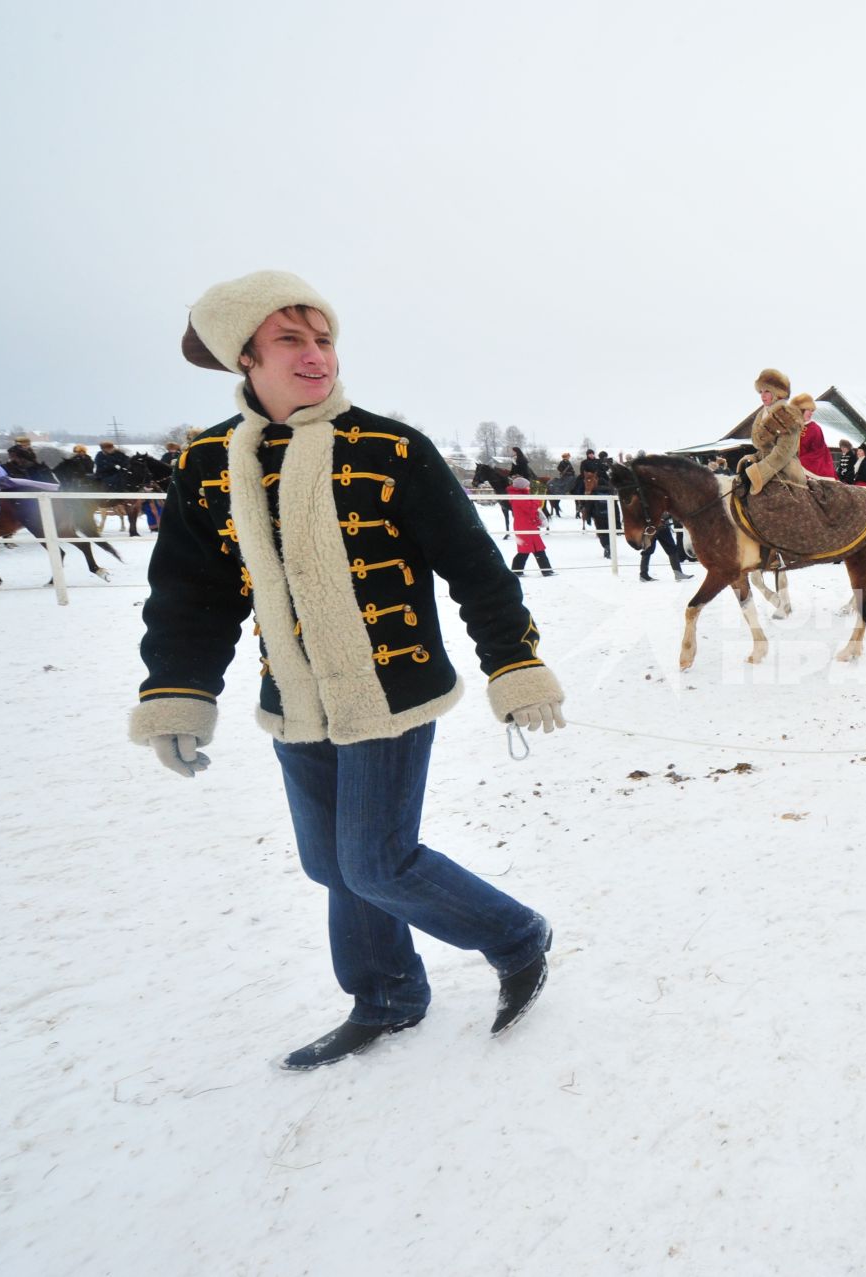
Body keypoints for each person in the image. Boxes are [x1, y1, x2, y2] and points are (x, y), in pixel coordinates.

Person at [132, 270, 566, 1070]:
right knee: (331, 863)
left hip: (390, 693)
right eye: (290, 341)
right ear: (247, 361)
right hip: (293, 698)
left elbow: (476, 569)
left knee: (378, 859)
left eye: (323, 338)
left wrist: (515, 665)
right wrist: (177, 694)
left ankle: (517, 934)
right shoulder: (205, 465)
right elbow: (191, 595)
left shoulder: (391, 448)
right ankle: (387, 994)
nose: (315, 356)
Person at [508, 476, 555, 576]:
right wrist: (536, 500)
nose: (529, 488)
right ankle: (517, 571)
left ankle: (546, 570)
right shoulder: (519, 498)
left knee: (537, 549)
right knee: (525, 551)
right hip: (524, 527)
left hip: (528, 526)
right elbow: (530, 508)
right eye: (528, 486)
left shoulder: (522, 496)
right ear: (522, 487)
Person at [793, 393, 836, 480]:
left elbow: (817, 453)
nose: (811, 413)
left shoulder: (815, 429)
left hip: (811, 469)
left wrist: (797, 463)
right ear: (800, 410)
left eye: (812, 410)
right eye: (808, 409)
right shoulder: (791, 427)